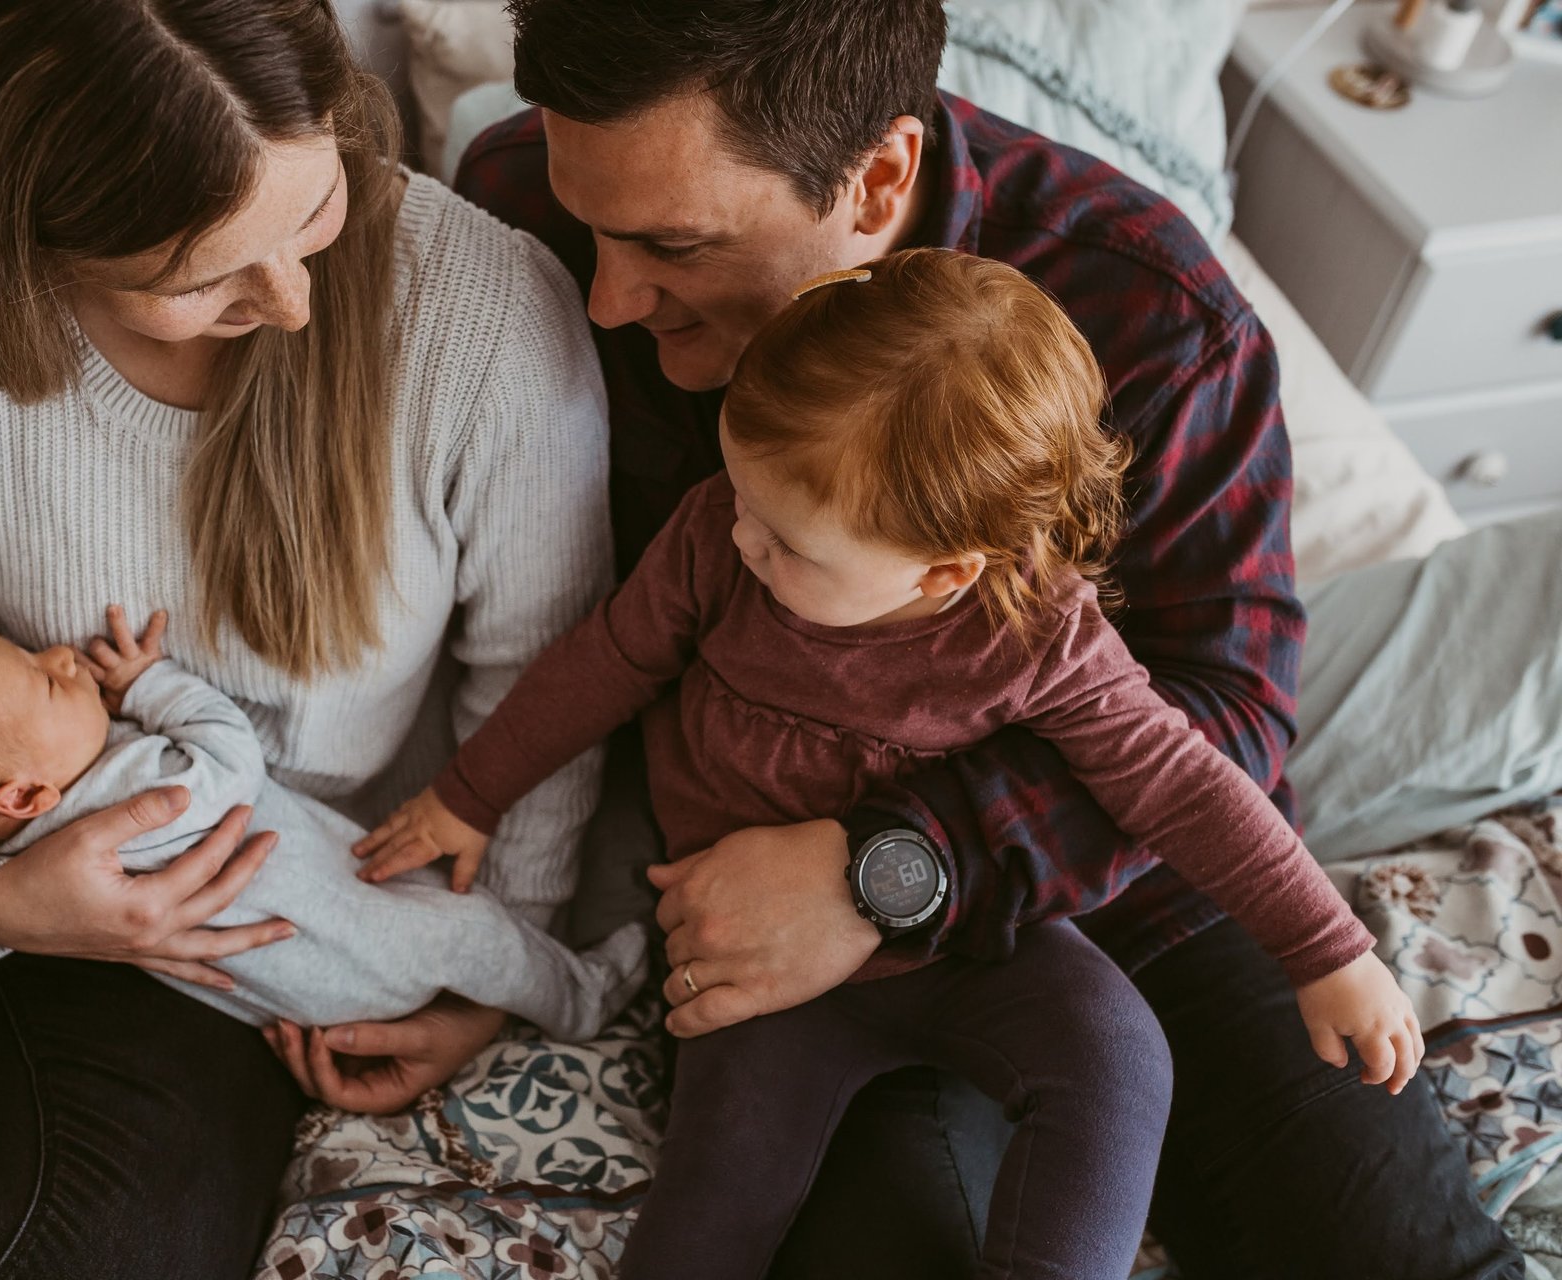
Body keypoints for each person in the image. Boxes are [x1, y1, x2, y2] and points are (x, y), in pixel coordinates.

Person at [454, 0, 1527, 1274]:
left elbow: (1227, 718)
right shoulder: (513, 205)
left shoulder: (1150, 306)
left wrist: (884, 867)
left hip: (1122, 866)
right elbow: (524, 622)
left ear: (881, 178)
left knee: (1391, 1247)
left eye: (672, 244)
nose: (608, 296)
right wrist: (473, 949)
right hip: (774, 885)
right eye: (591, 225)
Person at [0, 0, 614, 1275]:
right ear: (32, 238)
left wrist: (494, 970)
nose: (291, 301)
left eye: (315, 209)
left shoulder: (488, 318)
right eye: (198, 277)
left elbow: (544, 681)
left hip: (232, 904)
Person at [357, 249, 1419, 1279]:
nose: (743, 538)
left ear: (945, 572)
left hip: (963, 945)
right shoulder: (717, 539)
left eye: (788, 542)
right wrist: (469, 793)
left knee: (1121, 1056)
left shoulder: (1037, 632)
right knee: (719, 1194)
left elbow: (1185, 785)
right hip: (757, 966)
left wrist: (1327, 951)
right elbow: (606, 662)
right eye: (741, 495)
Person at [0, 612, 641, 1039]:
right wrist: (151, 684)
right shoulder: (137, 791)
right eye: (45, 680)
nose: (60, 655)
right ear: (24, 796)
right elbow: (230, 757)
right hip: (370, 944)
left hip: (295, 990)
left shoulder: (40, 856)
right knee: (480, 938)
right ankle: (582, 1000)